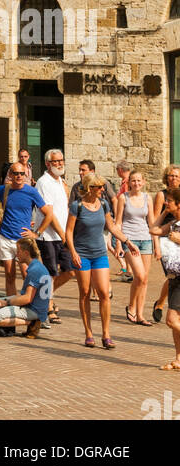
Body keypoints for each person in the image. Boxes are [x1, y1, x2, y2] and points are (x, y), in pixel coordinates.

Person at [65, 173, 138, 350]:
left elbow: (112, 226)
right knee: (84, 292)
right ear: (90, 188)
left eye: (102, 187)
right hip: (82, 254)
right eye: (99, 187)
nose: (103, 190)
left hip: (99, 254)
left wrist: (128, 242)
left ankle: (106, 334)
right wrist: (73, 252)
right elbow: (68, 231)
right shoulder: (78, 206)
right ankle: (89, 333)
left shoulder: (103, 204)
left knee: (104, 293)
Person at [0, 163, 53, 297]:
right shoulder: (4, 190)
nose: (19, 176)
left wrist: (36, 233)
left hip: (23, 240)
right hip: (5, 237)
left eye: (22, 173)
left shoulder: (31, 191)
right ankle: (11, 305)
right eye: (16, 173)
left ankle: (31, 304)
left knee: (29, 275)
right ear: (10, 174)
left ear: (26, 175)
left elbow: (48, 214)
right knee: (10, 276)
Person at [34, 148, 74, 323]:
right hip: (49, 236)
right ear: (48, 164)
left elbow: (64, 209)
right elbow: (49, 214)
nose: (59, 164)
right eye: (55, 161)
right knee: (51, 272)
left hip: (63, 233)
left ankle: (44, 296)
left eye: (61, 160)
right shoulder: (44, 182)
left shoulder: (60, 181)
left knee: (70, 271)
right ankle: (48, 306)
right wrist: (63, 235)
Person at [116, 169, 156, 326]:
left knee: (144, 279)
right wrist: (119, 242)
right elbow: (118, 222)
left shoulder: (148, 198)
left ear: (144, 182)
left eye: (139, 180)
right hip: (129, 240)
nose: (136, 183)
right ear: (129, 182)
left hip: (146, 240)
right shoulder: (123, 198)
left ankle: (140, 314)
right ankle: (131, 305)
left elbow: (152, 223)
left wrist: (157, 244)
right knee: (139, 275)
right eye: (133, 180)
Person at [0, 236, 54, 338]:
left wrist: (7, 303)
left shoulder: (34, 270)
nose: (16, 255)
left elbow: (27, 298)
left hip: (34, 310)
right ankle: (32, 320)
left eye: (18, 252)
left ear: (26, 253)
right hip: (38, 307)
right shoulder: (37, 265)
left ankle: (31, 322)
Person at [149, 186, 180, 371]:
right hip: (174, 276)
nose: (166, 203)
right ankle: (178, 358)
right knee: (175, 318)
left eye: (170, 201)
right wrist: (165, 212)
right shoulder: (175, 222)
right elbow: (154, 230)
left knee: (171, 320)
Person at [153, 164, 180, 323]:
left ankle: (161, 303)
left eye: (176, 176)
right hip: (166, 239)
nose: (173, 178)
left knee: (173, 275)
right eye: (171, 175)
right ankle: (163, 304)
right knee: (172, 274)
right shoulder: (162, 195)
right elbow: (155, 221)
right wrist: (157, 246)